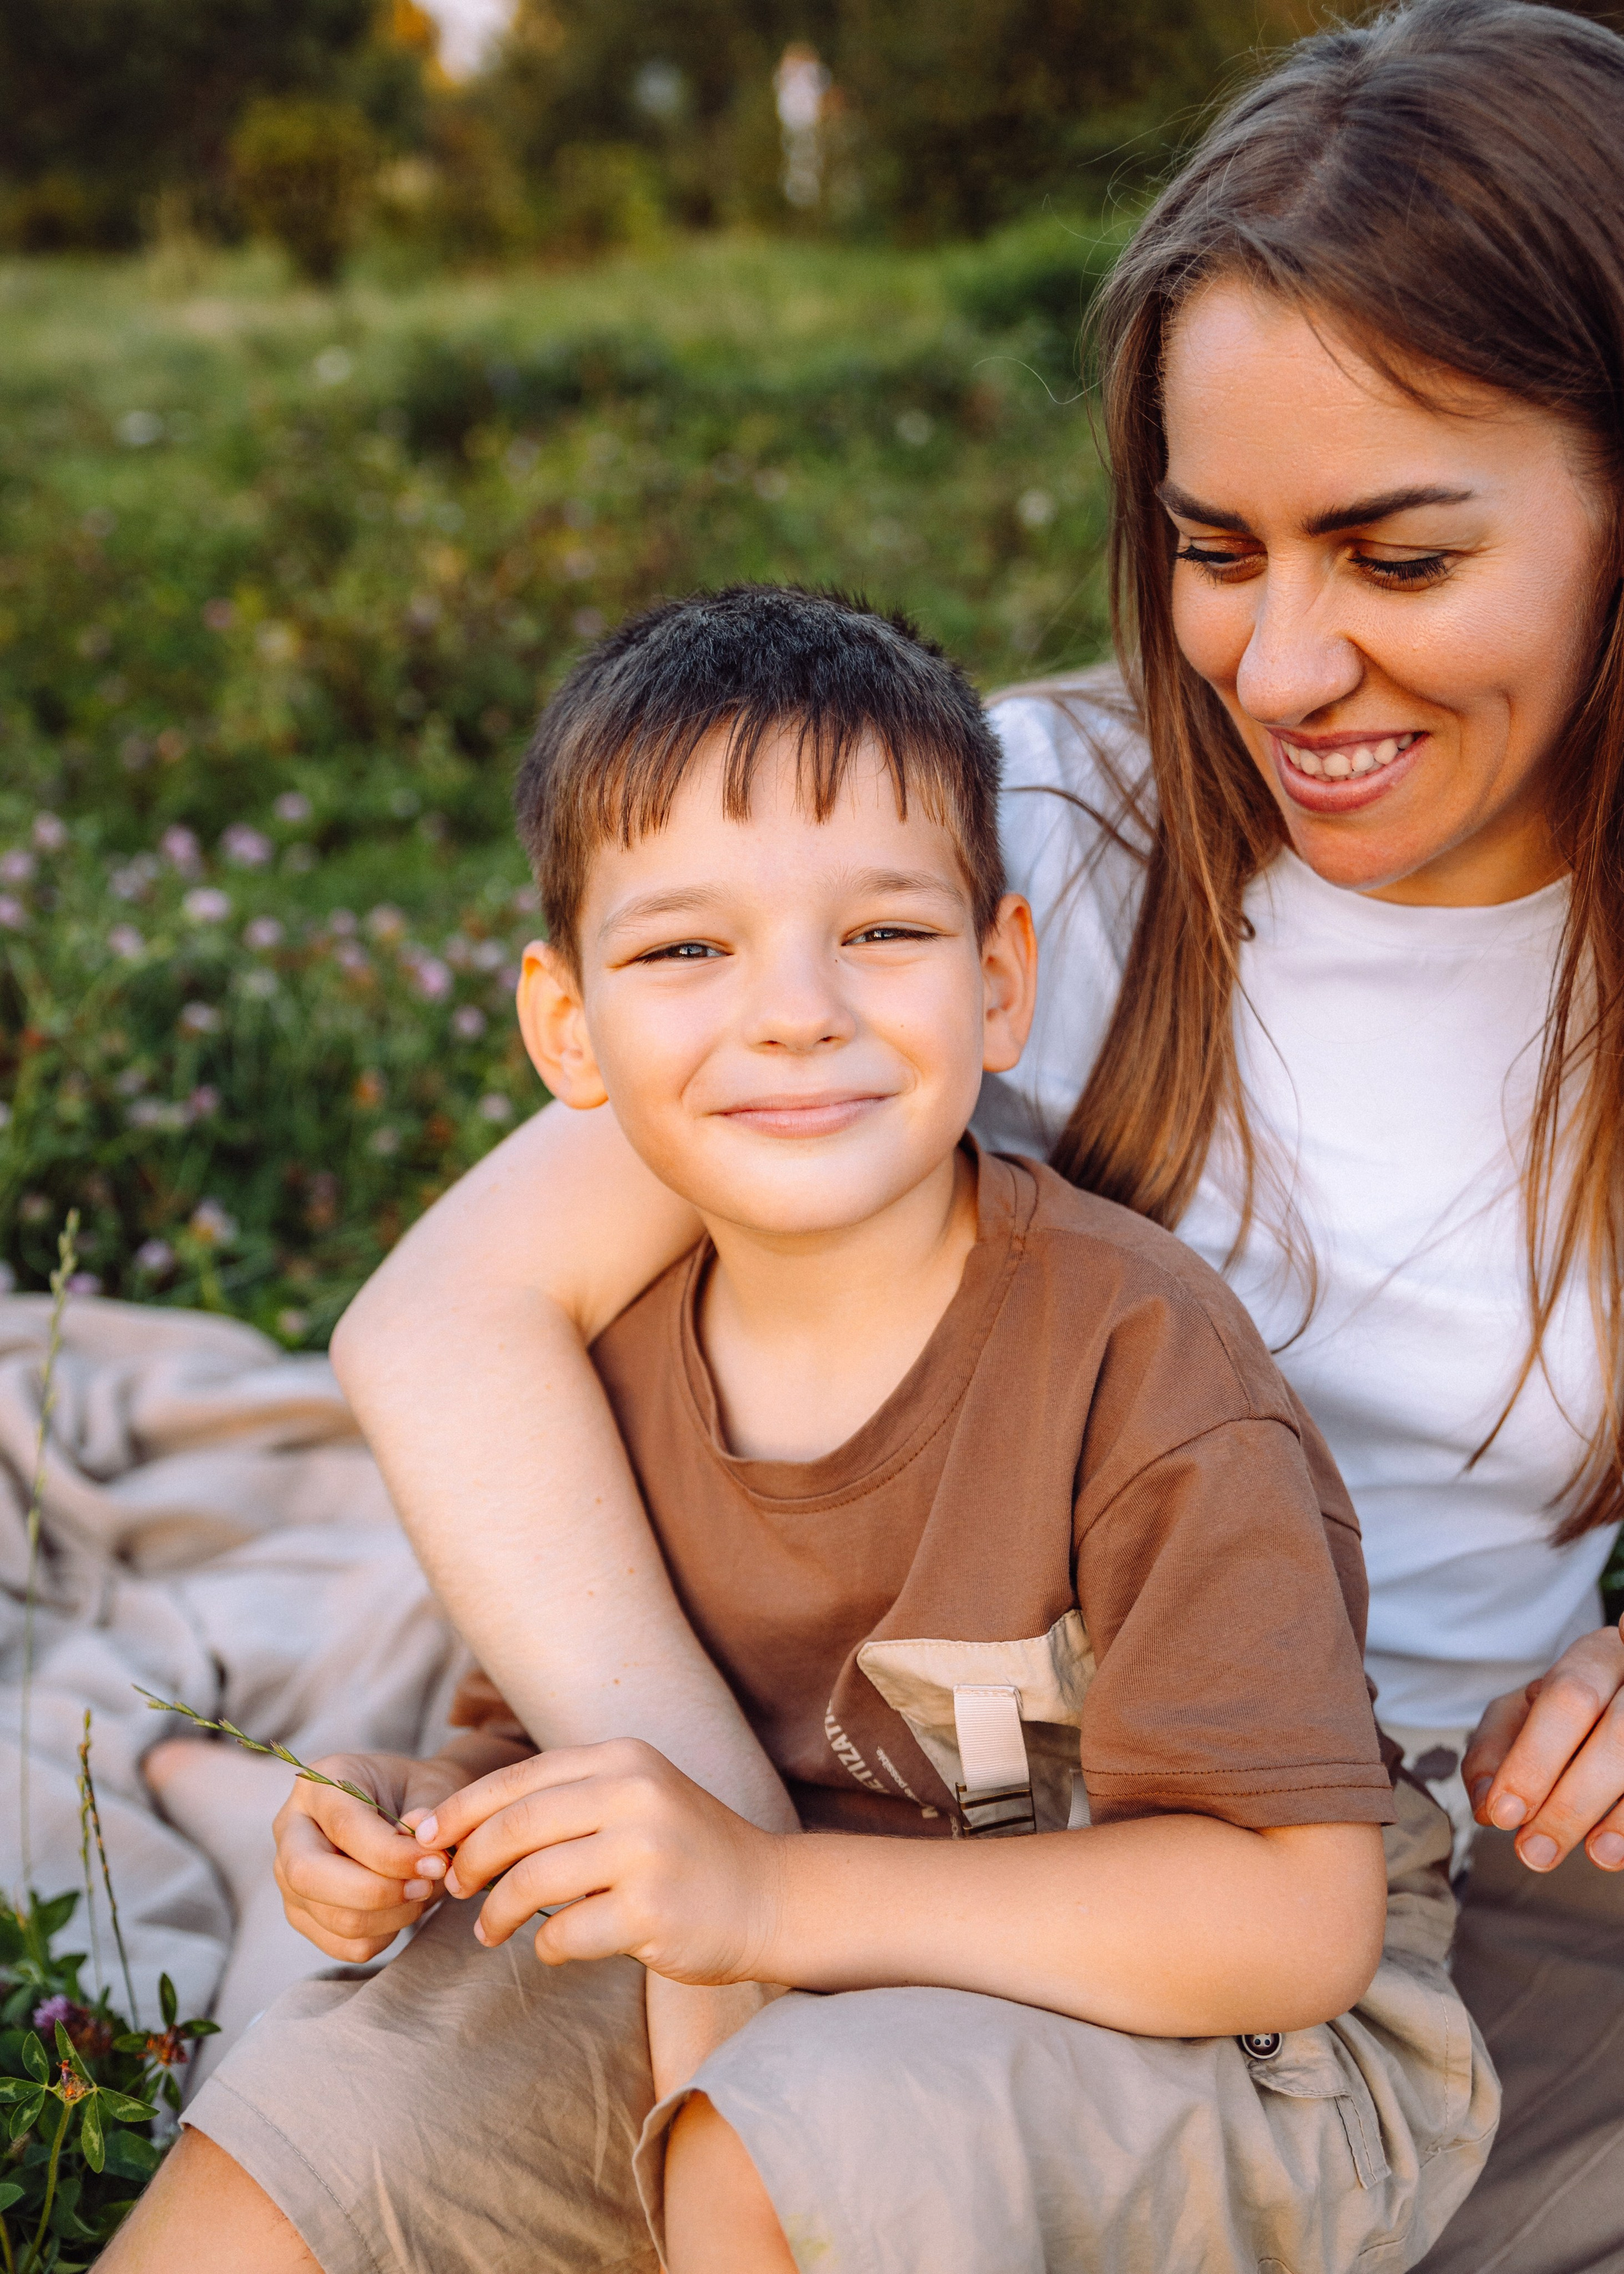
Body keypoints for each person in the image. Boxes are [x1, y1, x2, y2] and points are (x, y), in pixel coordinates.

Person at [115, 0, 1624, 2265]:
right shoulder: (1055, 832)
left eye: (1399, 561)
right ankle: (241, 1808)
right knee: (307, 2168)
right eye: (1219, 548)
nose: (1286, 671)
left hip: (1325, 1861)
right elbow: (452, 1317)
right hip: (884, 1758)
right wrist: (721, 1873)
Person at [112, 586, 1490, 2274]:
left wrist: (770, 1907)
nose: (794, 1012)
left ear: (1001, 985)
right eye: (687, 949)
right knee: (319, 2125)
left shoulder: (1140, 1359)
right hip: (787, 1937)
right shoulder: (600, 1363)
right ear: (569, 1028)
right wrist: (425, 1818)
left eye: (883, 935)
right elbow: (573, 1749)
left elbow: (1295, 1919)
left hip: (1219, 2030)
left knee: (785, 2144)